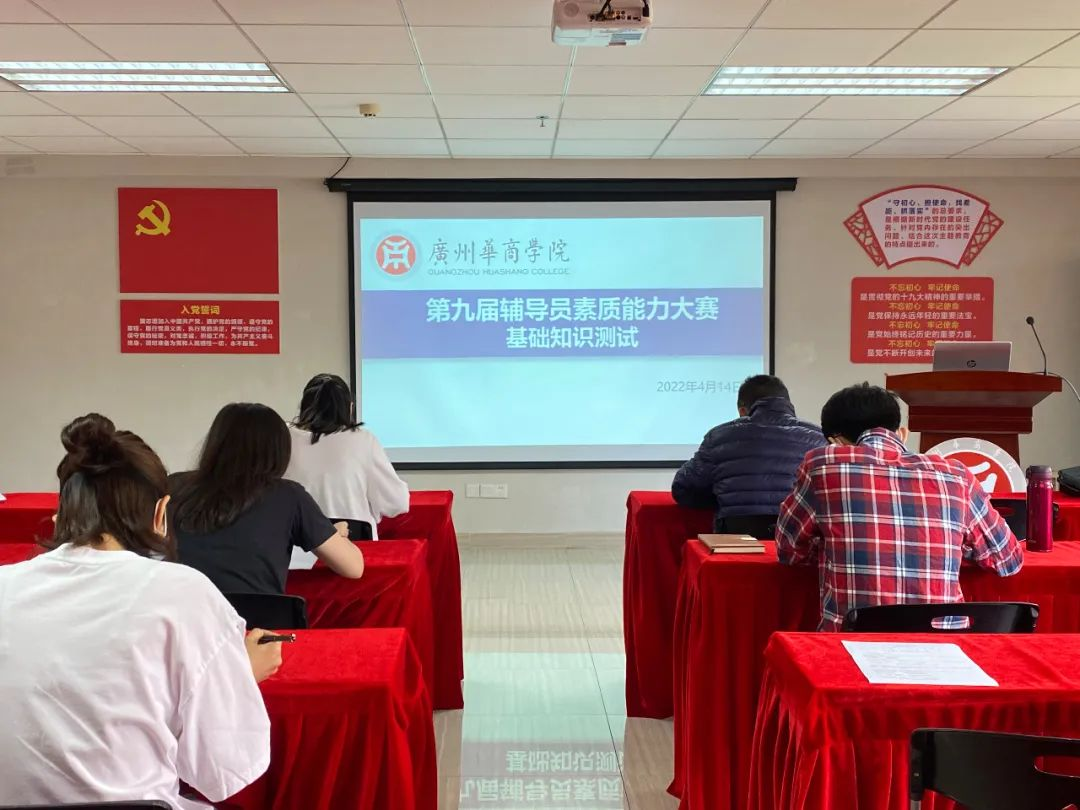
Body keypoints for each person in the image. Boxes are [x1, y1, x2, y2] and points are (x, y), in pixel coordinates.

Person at [0, 413, 278, 809]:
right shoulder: (184, 593)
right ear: (161, 512)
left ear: (64, 513)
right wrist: (240, 674)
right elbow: (224, 767)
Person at [775, 383, 1024, 631]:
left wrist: (830, 543)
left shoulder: (821, 465)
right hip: (943, 646)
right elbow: (1007, 560)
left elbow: (789, 549)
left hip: (852, 644)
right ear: (899, 433)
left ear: (836, 442)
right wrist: (958, 544)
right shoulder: (956, 475)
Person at [170, 402, 365, 594]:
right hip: (258, 615)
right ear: (279, 450)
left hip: (185, 613)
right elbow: (354, 567)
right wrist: (334, 534)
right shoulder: (290, 496)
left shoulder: (175, 486)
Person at [671, 374, 825, 537]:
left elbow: (682, 488)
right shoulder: (818, 438)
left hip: (736, 538)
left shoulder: (719, 436)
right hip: (799, 539)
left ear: (743, 411)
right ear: (788, 405)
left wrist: (722, 499)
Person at [286, 373, 409, 540]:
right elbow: (396, 502)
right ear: (349, 408)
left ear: (303, 406)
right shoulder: (363, 440)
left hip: (295, 548)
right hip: (354, 546)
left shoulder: (284, 437)